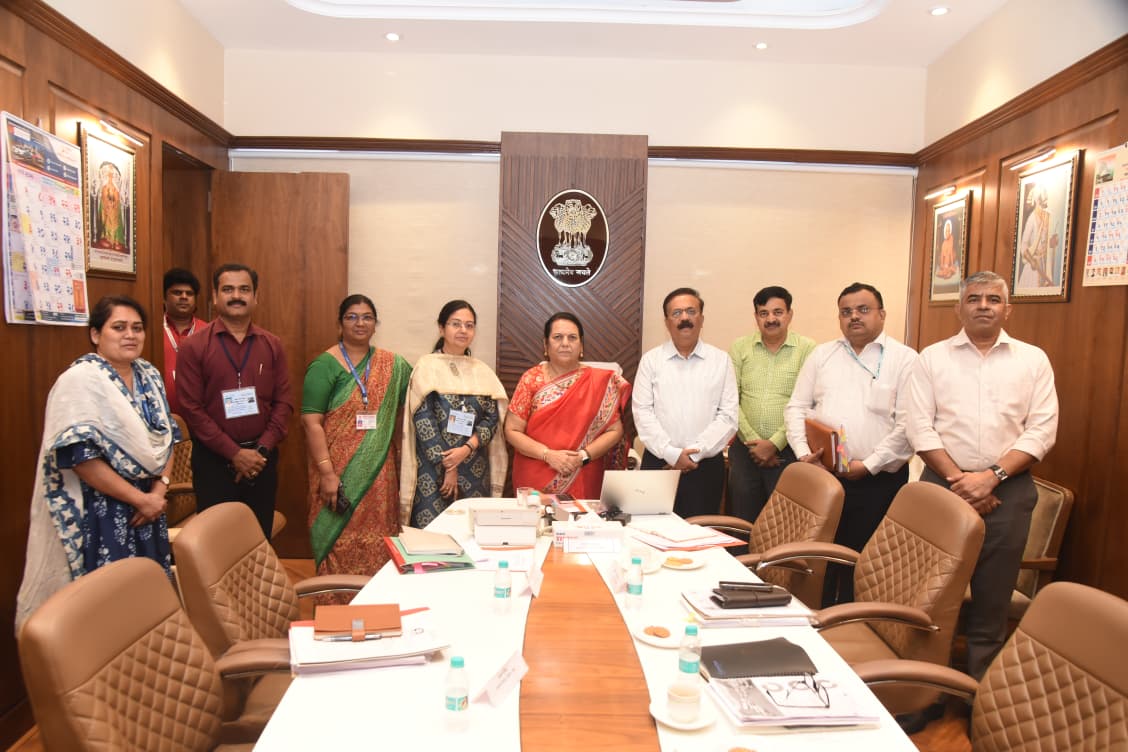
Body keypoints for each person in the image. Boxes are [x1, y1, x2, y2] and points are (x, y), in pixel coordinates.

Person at [907, 270, 1058, 679]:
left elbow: (1042, 430)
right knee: (931, 597)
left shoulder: (1033, 360)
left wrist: (991, 477)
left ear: (1008, 309)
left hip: (1008, 492)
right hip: (942, 488)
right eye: (974, 299)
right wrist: (961, 480)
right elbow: (918, 427)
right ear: (959, 308)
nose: (983, 306)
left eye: (993, 299)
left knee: (992, 604)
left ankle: (979, 695)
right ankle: (922, 691)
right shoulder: (932, 358)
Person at [16, 295, 178, 631]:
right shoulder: (80, 381)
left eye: (137, 328)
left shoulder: (149, 375)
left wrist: (159, 491)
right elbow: (80, 458)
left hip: (150, 508)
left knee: (150, 601)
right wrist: (140, 500)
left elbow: (167, 438)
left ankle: (154, 660)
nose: (130, 335)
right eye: (118, 327)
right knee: (111, 609)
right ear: (95, 334)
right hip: (104, 511)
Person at [784, 282, 917, 606]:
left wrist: (868, 465)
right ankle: (817, 619)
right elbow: (796, 407)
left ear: (882, 314)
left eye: (863, 309)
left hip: (878, 482)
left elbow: (909, 425)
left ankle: (854, 623)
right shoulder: (822, 355)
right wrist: (804, 454)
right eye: (846, 312)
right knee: (819, 559)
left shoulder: (905, 359)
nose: (854, 316)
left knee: (866, 563)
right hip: (825, 477)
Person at [176, 263, 293, 540]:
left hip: (262, 461)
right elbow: (192, 409)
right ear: (215, 297)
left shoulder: (272, 345)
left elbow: (284, 403)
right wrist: (234, 454)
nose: (236, 296)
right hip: (214, 462)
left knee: (258, 539)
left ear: (255, 297)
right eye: (228, 289)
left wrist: (260, 451)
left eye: (244, 289)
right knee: (216, 542)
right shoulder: (194, 347)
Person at [302, 294, 411, 577]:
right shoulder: (324, 365)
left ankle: (377, 597)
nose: (360, 323)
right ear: (340, 324)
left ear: (375, 324)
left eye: (367, 317)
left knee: (380, 537)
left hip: (380, 475)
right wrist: (327, 474)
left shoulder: (393, 365)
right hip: (336, 472)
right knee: (338, 536)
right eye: (352, 317)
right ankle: (335, 599)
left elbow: (416, 397)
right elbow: (311, 423)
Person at [400, 300, 509, 528]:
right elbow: (424, 421)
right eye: (456, 324)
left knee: (471, 532)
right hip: (433, 470)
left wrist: (467, 448)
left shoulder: (482, 371)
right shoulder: (426, 367)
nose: (463, 330)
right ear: (441, 328)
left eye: (469, 325)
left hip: (474, 467)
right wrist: (450, 465)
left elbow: (492, 419)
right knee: (432, 533)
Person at [634, 287, 738, 518]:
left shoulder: (721, 361)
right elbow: (642, 413)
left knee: (700, 532)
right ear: (667, 322)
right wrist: (671, 453)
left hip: (705, 467)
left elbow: (728, 415)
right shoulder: (651, 361)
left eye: (691, 311)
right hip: (660, 463)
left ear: (701, 319)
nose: (684, 318)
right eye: (676, 313)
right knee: (652, 530)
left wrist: (693, 455)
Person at [505, 312, 630, 498]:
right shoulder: (531, 379)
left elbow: (615, 430)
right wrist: (548, 455)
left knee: (582, 517)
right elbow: (512, 431)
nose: (565, 343)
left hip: (584, 473)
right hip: (536, 475)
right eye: (557, 337)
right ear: (545, 345)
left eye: (572, 337)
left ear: (581, 345)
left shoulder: (601, 382)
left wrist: (583, 456)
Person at [728, 286, 816, 523]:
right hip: (745, 450)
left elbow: (807, 403)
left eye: (778, 312)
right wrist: (753, 442)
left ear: (790, 314)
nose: (771, 319)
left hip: (788, 450)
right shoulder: (740, 347)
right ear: (756, 316)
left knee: (783, 522)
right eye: (763, 313)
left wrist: (775, 443)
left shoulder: (808, 349)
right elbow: (731, 399)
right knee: (742, 520)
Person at [159, 267, 207, 416]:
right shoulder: (152, 330)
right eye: (177, 292)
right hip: (161, 417)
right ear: (164, 298)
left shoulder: (208, 331)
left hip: (202, 417)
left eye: (189, 293)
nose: (184, 297)